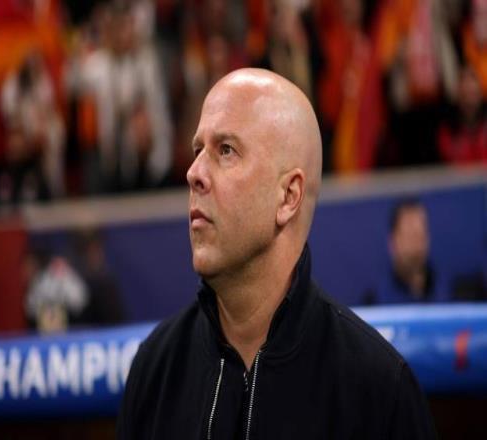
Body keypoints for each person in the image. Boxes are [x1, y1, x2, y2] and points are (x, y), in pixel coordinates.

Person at [117, 69, 436, 439]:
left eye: (225, 150)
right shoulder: (154, 372)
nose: (193, 173)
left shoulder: (379, 390)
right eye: (197, 150)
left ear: (288, 197)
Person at [366, 199, 450, 305]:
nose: (417, 242)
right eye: (409, 235)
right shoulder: (375, 302)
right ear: (393, 242)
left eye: (420, 233)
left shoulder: (450, 293)